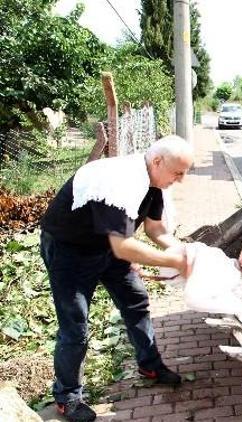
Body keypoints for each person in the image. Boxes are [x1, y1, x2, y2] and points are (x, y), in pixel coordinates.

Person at [39, 135, 195, 422]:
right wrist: (175, 262)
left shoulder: (155, 183)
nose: (181, 180)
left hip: (105, 246)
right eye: (178, 173)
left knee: (136, 299)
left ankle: (150, 365)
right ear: (157, 161)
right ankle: (67, 397)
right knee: (75, 327)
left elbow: (155, 230)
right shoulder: (122, 180)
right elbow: (123, 247)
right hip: (69, 251)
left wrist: (186, 253)